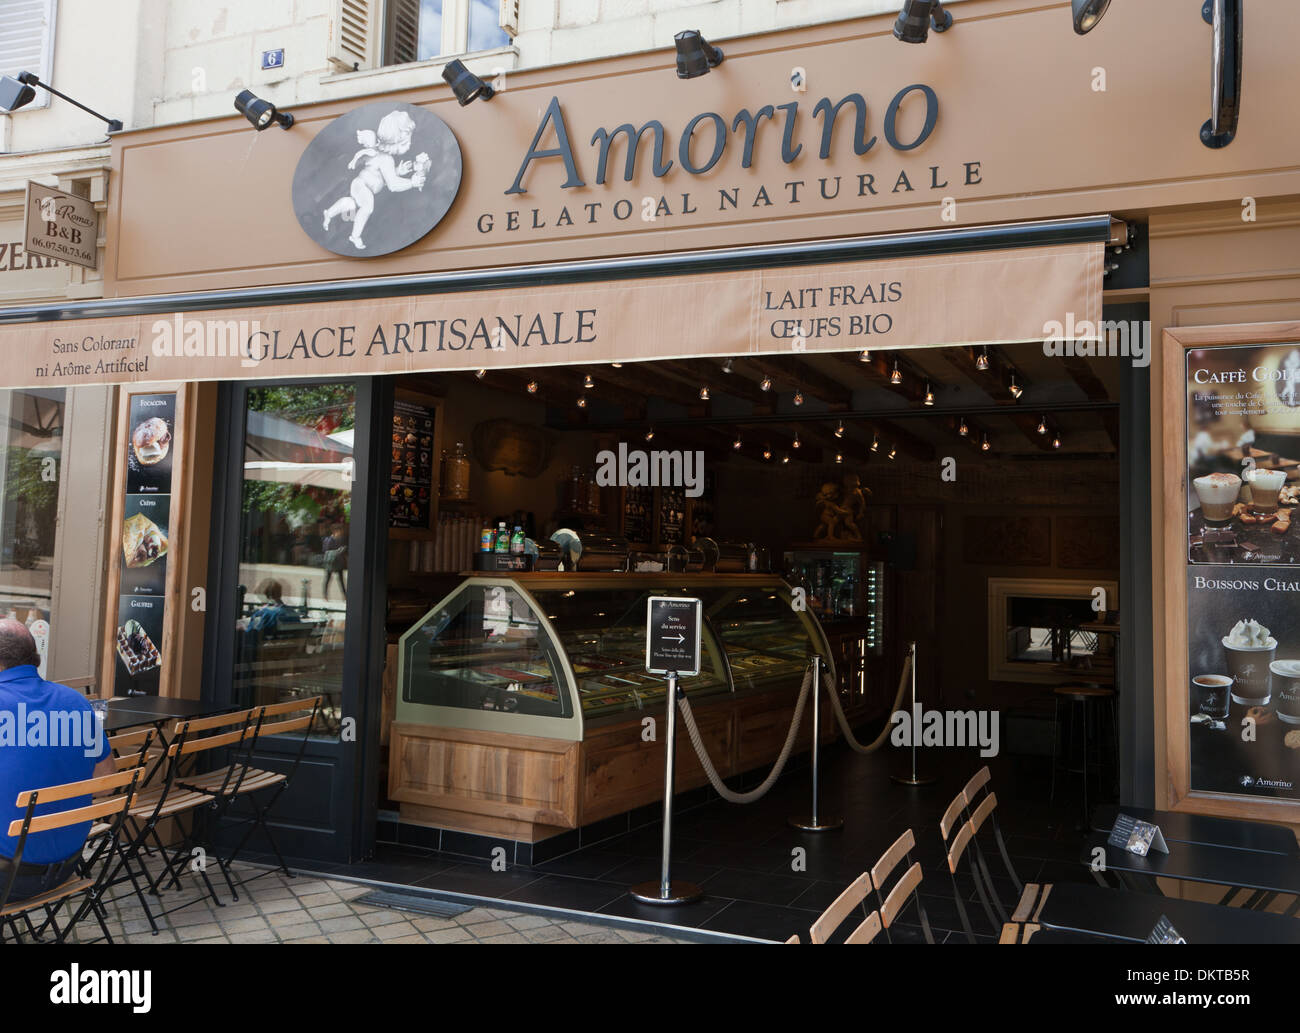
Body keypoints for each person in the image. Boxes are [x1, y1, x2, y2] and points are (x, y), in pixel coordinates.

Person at [0, 619, 112, 903]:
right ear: (34, 657)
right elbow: (105, 783)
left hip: (9, 878)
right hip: (65, 867)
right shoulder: (75, 702)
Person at [322, 523, 347, 600]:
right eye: (339, 531)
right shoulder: (329, 540)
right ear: (335, 531)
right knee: (328, 579)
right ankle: (325, 595)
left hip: (338, 562)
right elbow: (326, 550)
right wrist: (338, 551)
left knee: (341, 580)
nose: (341, 533)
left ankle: (345, 596)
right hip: (330, 562)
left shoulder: (341, 539)